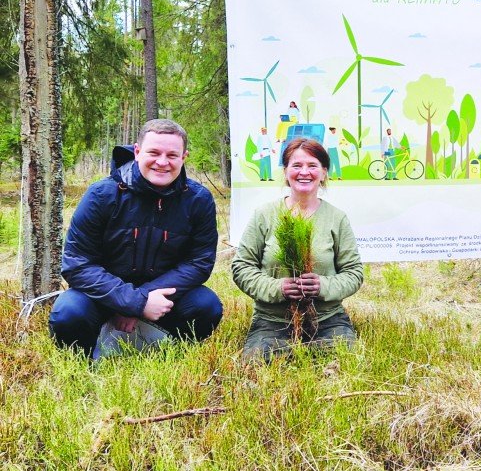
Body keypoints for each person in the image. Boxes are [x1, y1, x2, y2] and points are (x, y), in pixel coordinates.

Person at [49, 119, 222, 358]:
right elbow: (77, 264)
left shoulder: (198, 200)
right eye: (154, 153)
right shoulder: (101, 195)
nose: (162, 162)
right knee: (69, 312)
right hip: (104, 298)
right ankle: (86, 358)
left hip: (162, 299)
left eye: (172, 155)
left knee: (206, 305)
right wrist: (134, 302)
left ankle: (164, 353)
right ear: (138, 151)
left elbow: (199, 263)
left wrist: (145, 299)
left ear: (184, 157)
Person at [232, 138, 363, 361]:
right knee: (259, 363)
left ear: (323, 173)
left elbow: (354, 273)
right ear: (285, 172)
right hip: (273, 319)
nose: (304, 172)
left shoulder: (336, 218)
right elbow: (242, 267)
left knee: (343, 361)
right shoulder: (264, 215)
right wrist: (278, 288)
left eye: (312, 165)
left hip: (326, 318)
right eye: (296, 165)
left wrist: (322, 285)